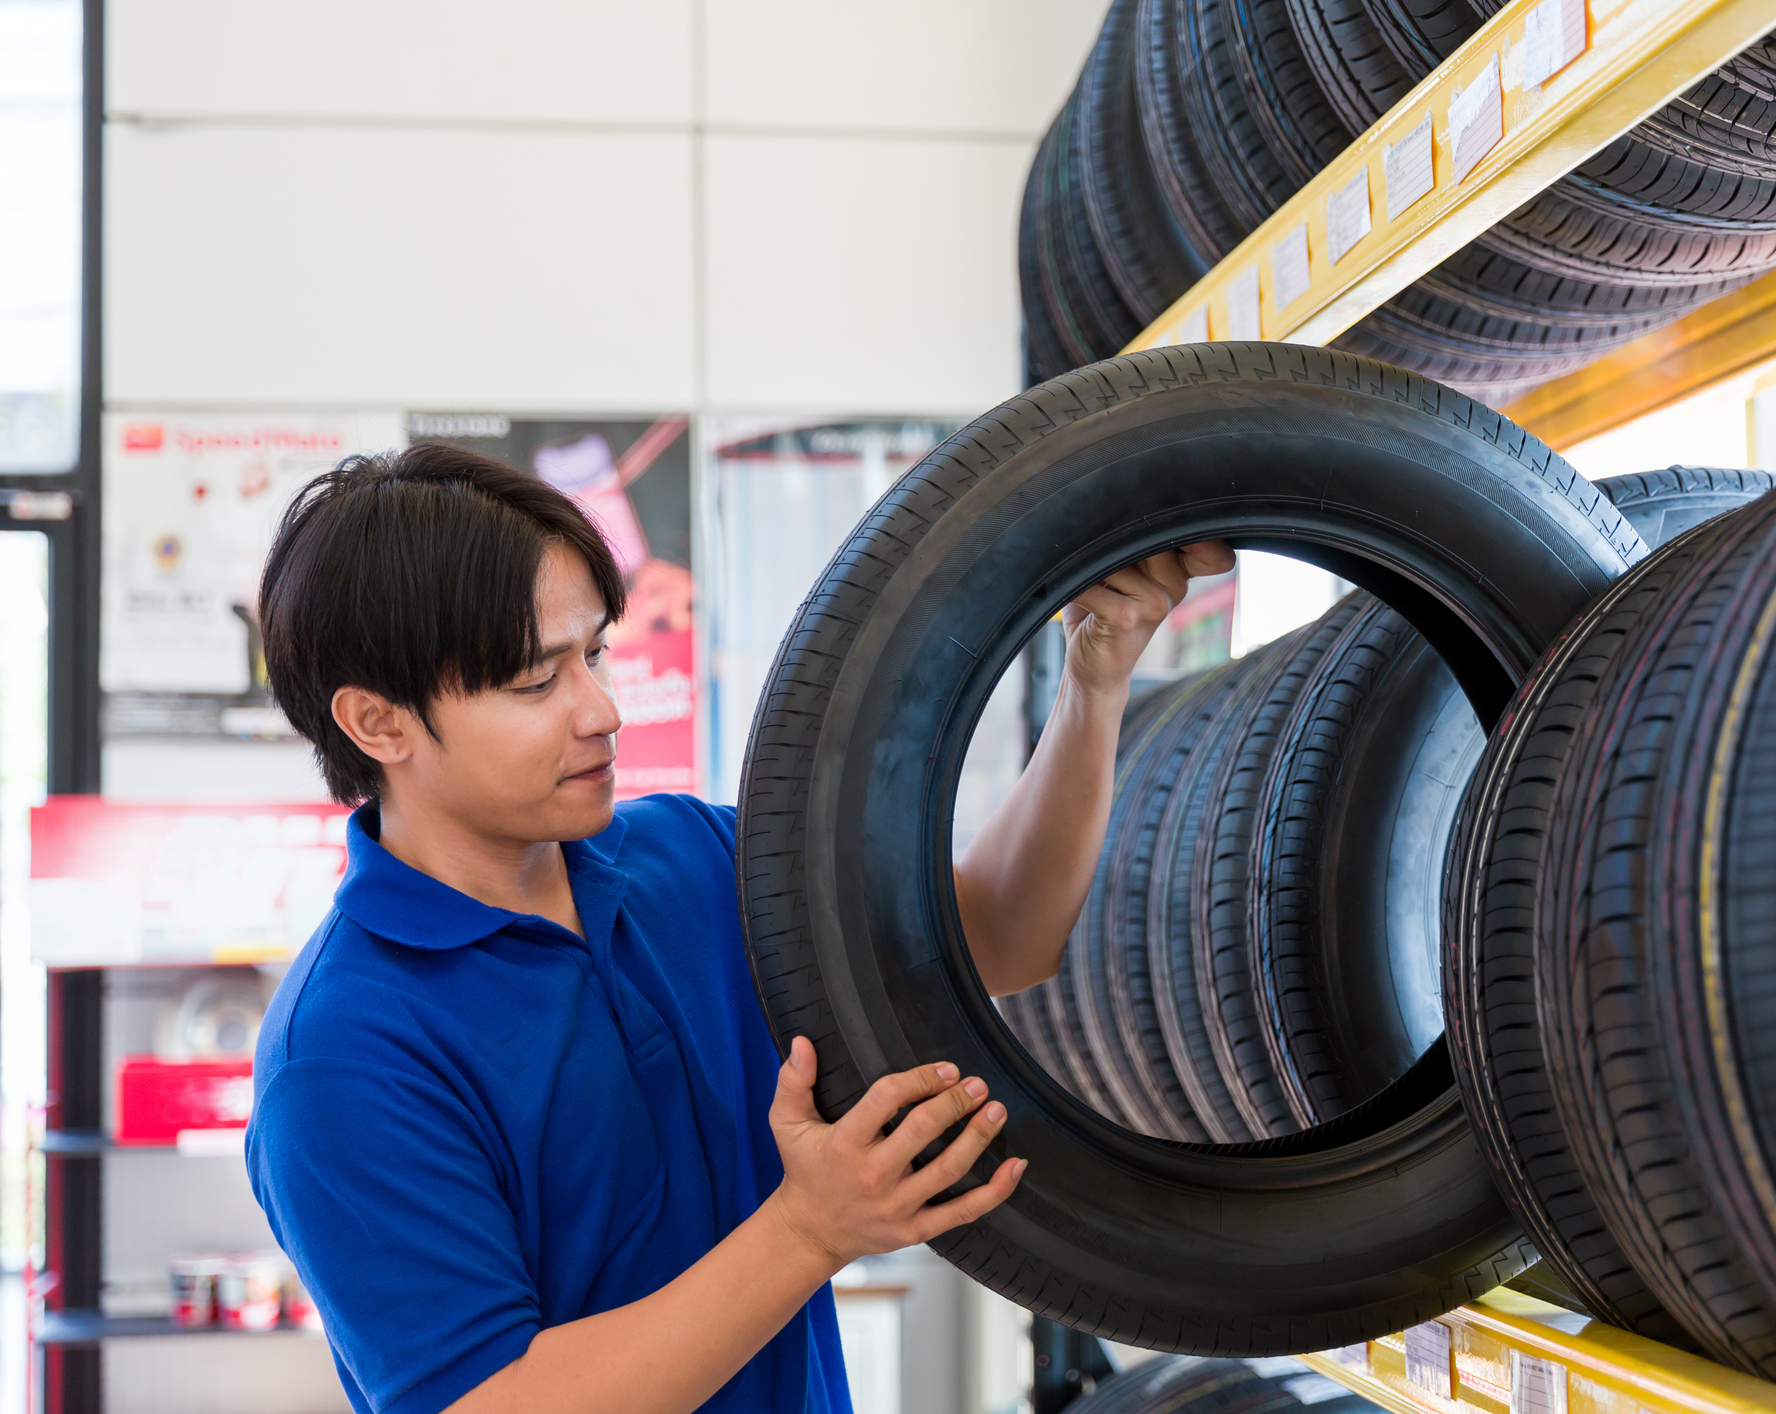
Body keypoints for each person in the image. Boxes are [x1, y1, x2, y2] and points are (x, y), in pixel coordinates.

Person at [244, 442, 1233, 1414]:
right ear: (380, 724)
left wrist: (1096, 681)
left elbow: (1002, 936)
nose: (604, 709)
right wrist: (808, 1229)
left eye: (593, 654)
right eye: (537, 682)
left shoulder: (690, 856)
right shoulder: (341, 1055)